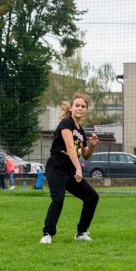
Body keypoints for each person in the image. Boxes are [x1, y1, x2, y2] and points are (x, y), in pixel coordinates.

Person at [40, 93, 99, 244]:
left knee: (92, 197)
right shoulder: (66, 122)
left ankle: (81, 233)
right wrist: (79, 169)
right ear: (71, 107)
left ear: (86, 110)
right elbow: (70, 147)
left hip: (70, 170)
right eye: (77, 105)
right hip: (57, 167)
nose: (80, 108)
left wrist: (91, 146)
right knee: (58, 199)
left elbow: (85, 154)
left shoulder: (81, 131)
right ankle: (47, 234)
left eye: (83, 106)